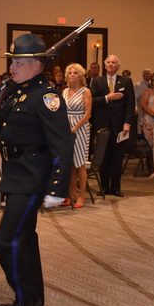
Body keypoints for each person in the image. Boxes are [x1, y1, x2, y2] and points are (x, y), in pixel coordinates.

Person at [0, 33, 72, 306]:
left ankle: (25, 299)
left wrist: (58, 187)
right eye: (12, 61)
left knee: (7, 240)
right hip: (14, 175)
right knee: (24, 239)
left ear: (37, 64)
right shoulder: (16, 92)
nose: (13, 67)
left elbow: (62, 143)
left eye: (19, 62)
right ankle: (32, 299)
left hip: (33, 178)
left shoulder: (46, 97)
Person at [90, 54, 135, 197]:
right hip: (101, 125)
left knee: (116, 157)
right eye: (108, 62)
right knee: (103, 157)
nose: (110, 64)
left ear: (118, 66)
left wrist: (127, 123)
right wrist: (106, 98)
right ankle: (103, 187)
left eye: (113, 62)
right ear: (105, 66)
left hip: (119, 126)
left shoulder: (126, 81)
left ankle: (115, 188)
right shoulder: (98, 81)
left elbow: (130, 104)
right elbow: (91, 100)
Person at [63, 63, 92, 208]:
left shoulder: (86, 91)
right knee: (71, 164)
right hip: (67, 128)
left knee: (80, 163)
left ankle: (82, 196)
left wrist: (75, 127)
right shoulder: (64, 91)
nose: (72, 75)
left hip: (80, 128)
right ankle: (72, 194)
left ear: (81, 76)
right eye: (70, 73)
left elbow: (88, 114)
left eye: (75, 73)